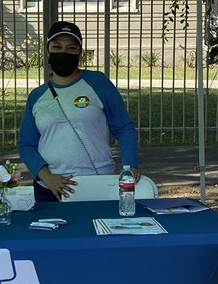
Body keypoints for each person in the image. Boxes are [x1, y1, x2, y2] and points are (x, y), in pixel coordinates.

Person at [18, 20, 139, 201]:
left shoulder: (98, 83)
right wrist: (46, 177)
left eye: (71, 48)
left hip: (98, 183)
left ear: (79, 52)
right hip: (49, 189)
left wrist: (130, 165)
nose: (63, 53)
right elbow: (26, 144)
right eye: (57, 47)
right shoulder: (37, 96)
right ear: (48, 49)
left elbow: (123, 127)